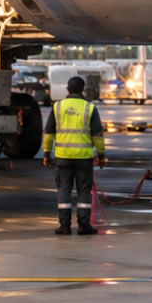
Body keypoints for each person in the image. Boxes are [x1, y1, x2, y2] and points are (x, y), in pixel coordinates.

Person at [42, 75, 106, 235]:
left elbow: (49, 133)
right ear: (82, 90)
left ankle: (64, 226)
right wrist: (102, 155)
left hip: (63, 157)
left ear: (67, 90)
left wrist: (46, 154)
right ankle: (84, 226)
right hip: (84, 157)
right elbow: (97, 135)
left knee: (64, 189)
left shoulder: (57, 107)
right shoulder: (89, 108)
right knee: (84, 191)